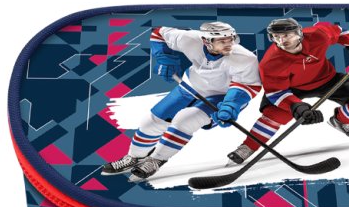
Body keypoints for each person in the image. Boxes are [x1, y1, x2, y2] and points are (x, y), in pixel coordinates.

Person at [101, 22, 261, 181]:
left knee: (185, 120)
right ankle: (134, 157)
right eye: (222, 41)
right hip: (190, 86)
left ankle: (156, 159)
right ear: (206, 41)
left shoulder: (245, 58)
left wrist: (231, 105)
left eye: (230, 39)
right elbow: (159, 33)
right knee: (151, 122)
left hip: (222, 96)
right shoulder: (190, 39)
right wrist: (164, 58)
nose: (229, 44)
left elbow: (248, 85)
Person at [225, 17, 349, 166]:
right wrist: (296, 106)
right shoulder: (270, 63)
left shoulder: (317, 35)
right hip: (291, 90)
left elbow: (339, 31)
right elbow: (276, 93)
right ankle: (248, 146)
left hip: (327, 79)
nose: (281, 40)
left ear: (299, 32)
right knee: (275, 115)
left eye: (286, 35)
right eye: (276, 36)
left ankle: (341, 121)